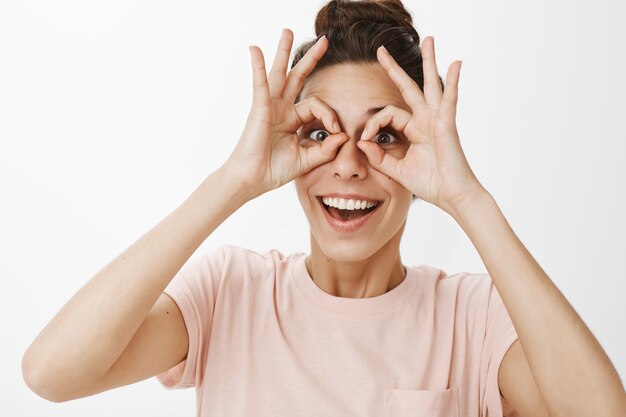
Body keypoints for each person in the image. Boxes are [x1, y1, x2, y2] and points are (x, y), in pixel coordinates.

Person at [22, 0, 625, 416]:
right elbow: (51, 374)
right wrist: (234, 179)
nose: (350, 165)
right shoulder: (230, 290)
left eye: (384, 135)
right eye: (321, 133)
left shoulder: (474, 317)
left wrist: (468, 198)